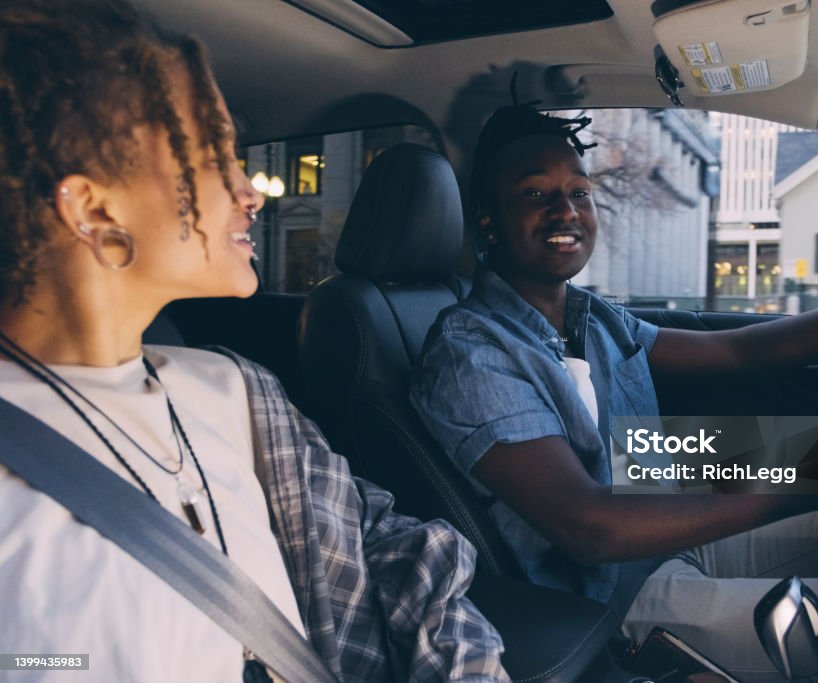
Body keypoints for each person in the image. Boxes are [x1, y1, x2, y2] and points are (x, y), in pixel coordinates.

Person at [409, 103, 818, 680]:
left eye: (578, 192)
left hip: (672, 532)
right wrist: (811, 486)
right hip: (613, 602)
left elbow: (736, 351)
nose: (566, 210)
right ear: (487, 219)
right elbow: (589, 528)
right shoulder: (472, 354)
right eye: (535, 193)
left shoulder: (590, 318)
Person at [0, 2, 508, 681]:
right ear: (96, 210)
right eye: (210, 157)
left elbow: (394, 547)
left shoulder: (232, 389)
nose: (251, 191)